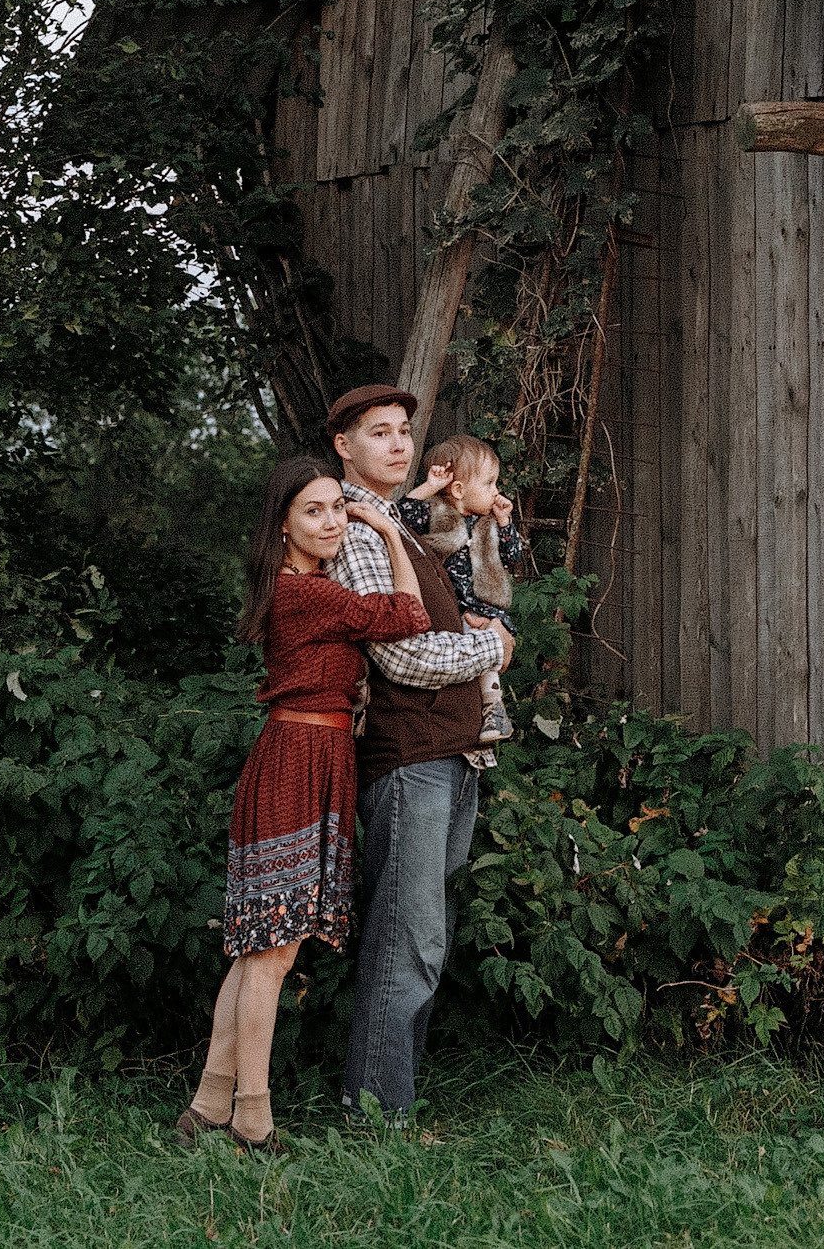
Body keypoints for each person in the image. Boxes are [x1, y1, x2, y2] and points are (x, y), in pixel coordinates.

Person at [178, 457, 432, 1154]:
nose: (332, 521)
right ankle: (253, 1119)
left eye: (337, 508)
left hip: (310, 757)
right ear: (283, 525)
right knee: (272, 953)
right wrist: (388, 531)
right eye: (313, 511)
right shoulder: (305, 594)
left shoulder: (307, 589)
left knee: (257, 949)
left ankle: (207, 1103)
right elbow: (408, 615)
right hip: (297, 760)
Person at [321, 385, 515, 1125]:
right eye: (380, 432)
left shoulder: (400, 523)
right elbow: (402, 657)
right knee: (408, 936)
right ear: (344, 446)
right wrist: (492, 647)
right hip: (408, 758)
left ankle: (387, 1099)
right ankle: (375, 1112)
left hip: (450, 754)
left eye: (405, 430)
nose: (400, 444)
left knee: (423, 934)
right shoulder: (356, 531)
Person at [392, 433, 524, 744]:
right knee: (459, 654)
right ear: (459, 490)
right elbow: (401, 516)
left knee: (484, 641)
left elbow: (512, 556)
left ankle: (494, 708)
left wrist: (505, 522)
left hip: (484, 606)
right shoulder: (435, 513)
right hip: (445, 606)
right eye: (489, 483)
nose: (496, 492)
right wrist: (430, 487)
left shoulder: (489, 524)